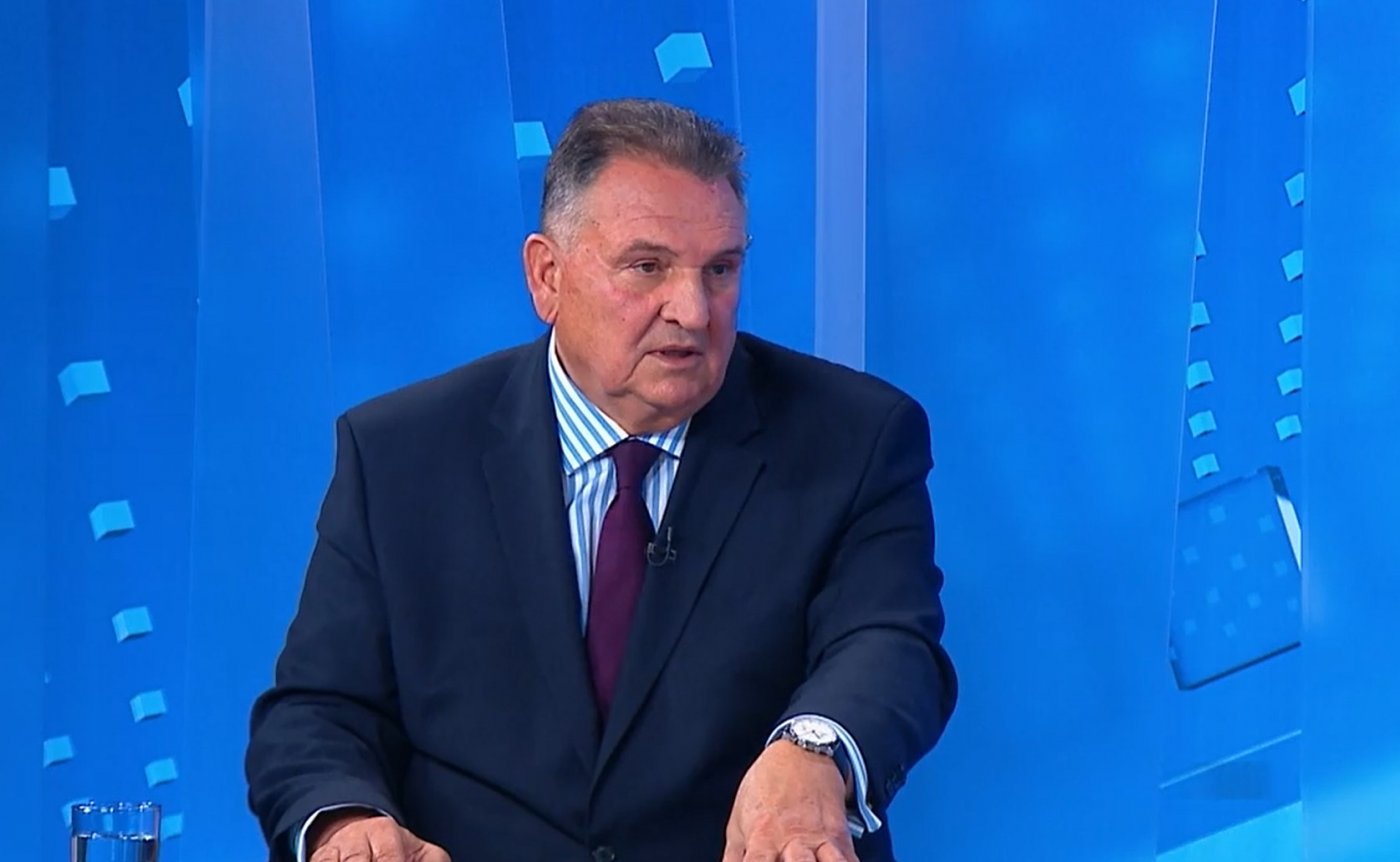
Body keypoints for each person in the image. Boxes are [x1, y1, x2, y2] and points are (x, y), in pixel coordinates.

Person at [245, 98, 956, 862]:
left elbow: (890, 643)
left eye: (720, 269)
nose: (693, 310)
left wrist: (814, 754)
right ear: (546, 276)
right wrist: (347, 824)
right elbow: (319, 710)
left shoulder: (853, 437)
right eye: (648, 267)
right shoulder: (401, 455)